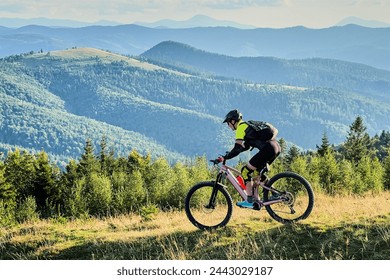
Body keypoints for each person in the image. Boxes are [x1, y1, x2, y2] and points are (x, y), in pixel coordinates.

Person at [218, 109, 281, 209]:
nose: (228, 125)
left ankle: (250, 200)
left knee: (245, 171)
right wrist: (230, 154)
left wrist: (225, 157)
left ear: (233, 121)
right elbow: (245, 147)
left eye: (228, 123)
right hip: (275, 147)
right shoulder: (248, 126)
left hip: (268, 149)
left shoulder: (240, 128)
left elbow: (237, 148)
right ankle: (274, 194)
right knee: (256, 174)